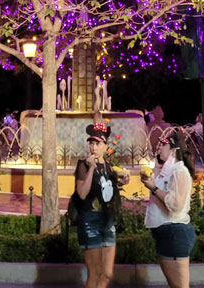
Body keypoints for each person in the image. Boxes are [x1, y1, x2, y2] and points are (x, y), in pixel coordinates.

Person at [72, 122, 126, 288]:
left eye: (97, 143)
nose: (93, 147)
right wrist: (90, 169)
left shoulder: (109, 166)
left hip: (108, 222)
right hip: (90, 221)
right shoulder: (83, 165)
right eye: (91, 143)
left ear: (105, 146)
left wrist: (123, 182)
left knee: (107, 273)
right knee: (94, 274)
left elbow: (108, 192)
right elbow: (81, 193)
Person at [142, 130, 195, 288]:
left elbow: (175, 204)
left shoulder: (180, 171)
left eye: (163, 145)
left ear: (173, 150)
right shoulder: (169, 170)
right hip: (168, 234)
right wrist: (155, 174)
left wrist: (152, 188)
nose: (159, 148)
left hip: (175, 232)